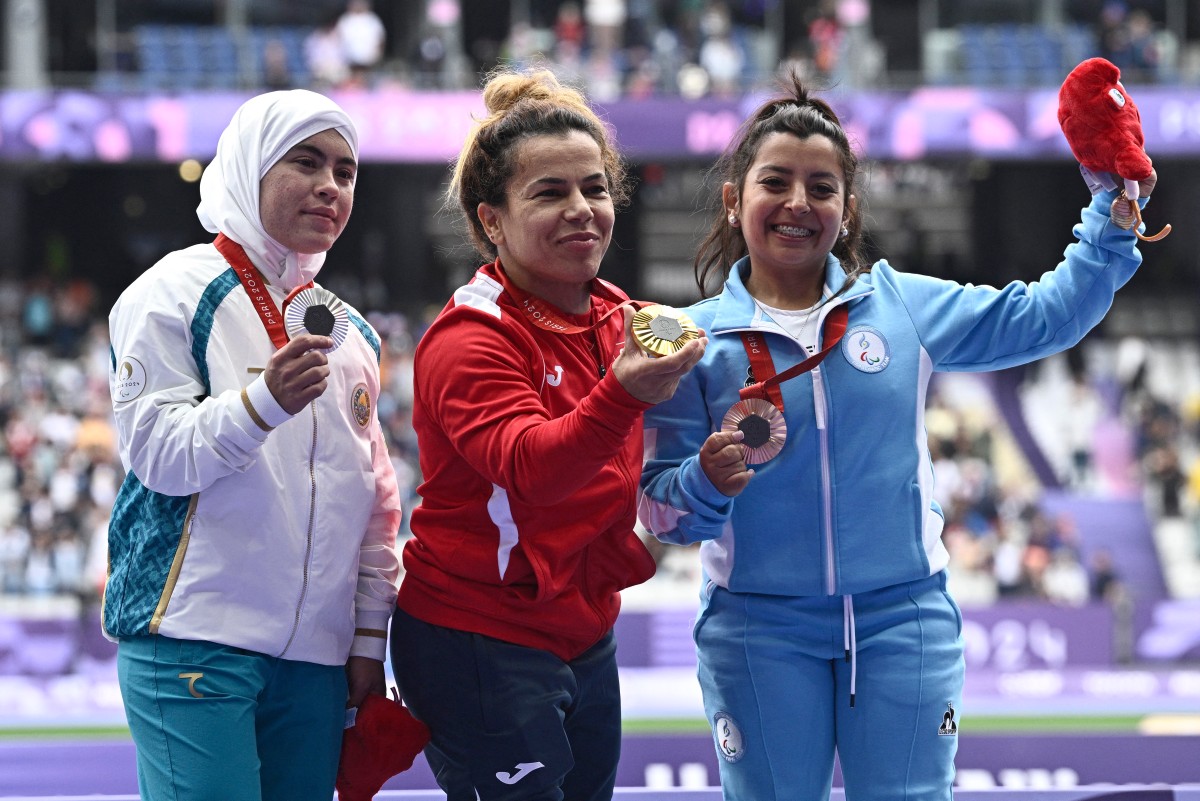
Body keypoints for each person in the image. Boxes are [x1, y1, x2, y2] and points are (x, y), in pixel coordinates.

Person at [637, 73, 1157, 801]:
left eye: (822, 187)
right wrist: (703, 480)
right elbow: (664, 511)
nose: (797, 203)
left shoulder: (903, 307)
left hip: (902, 622)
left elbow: (1047, 316)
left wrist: (1113, 207)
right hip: (757, 630)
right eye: (775, 181)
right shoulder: (690, 341)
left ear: (847, 211)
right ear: (734, 197)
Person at [390, 67, 706, 801]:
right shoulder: (469, 338)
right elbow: (531, 466)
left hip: (582, 628)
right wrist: (623, 393)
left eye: (595, 188)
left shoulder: (615, 312)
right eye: (549, 192)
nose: (582, 210)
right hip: (479, 637)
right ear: (491, 219)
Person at [104, 89, 402, 801]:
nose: (330, 185)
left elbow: (374, 497)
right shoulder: (174, 292)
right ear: (249, 167)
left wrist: (365, 637)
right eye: (307, 162)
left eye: (346, 171)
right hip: (191, 633)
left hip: (316, 659)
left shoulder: (352, 333)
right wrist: (260, 404)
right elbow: (155, 454)